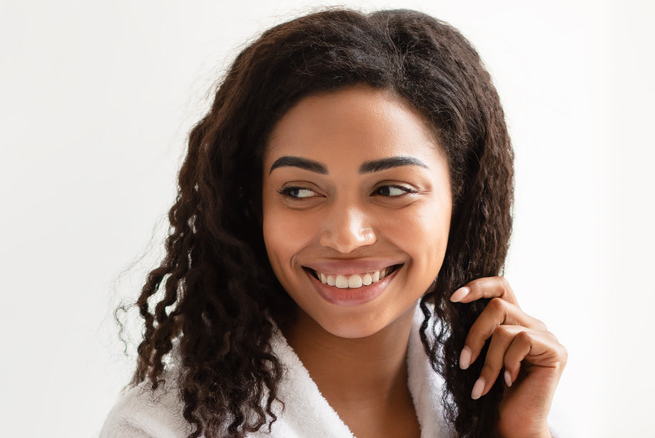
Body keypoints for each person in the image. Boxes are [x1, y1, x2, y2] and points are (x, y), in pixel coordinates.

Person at [101, 8, 567, 438]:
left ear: (460, 201)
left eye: (390, 190)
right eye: (299, 191)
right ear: (252, 205)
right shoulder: (158, 429)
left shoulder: (512, 409)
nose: (346, 237)